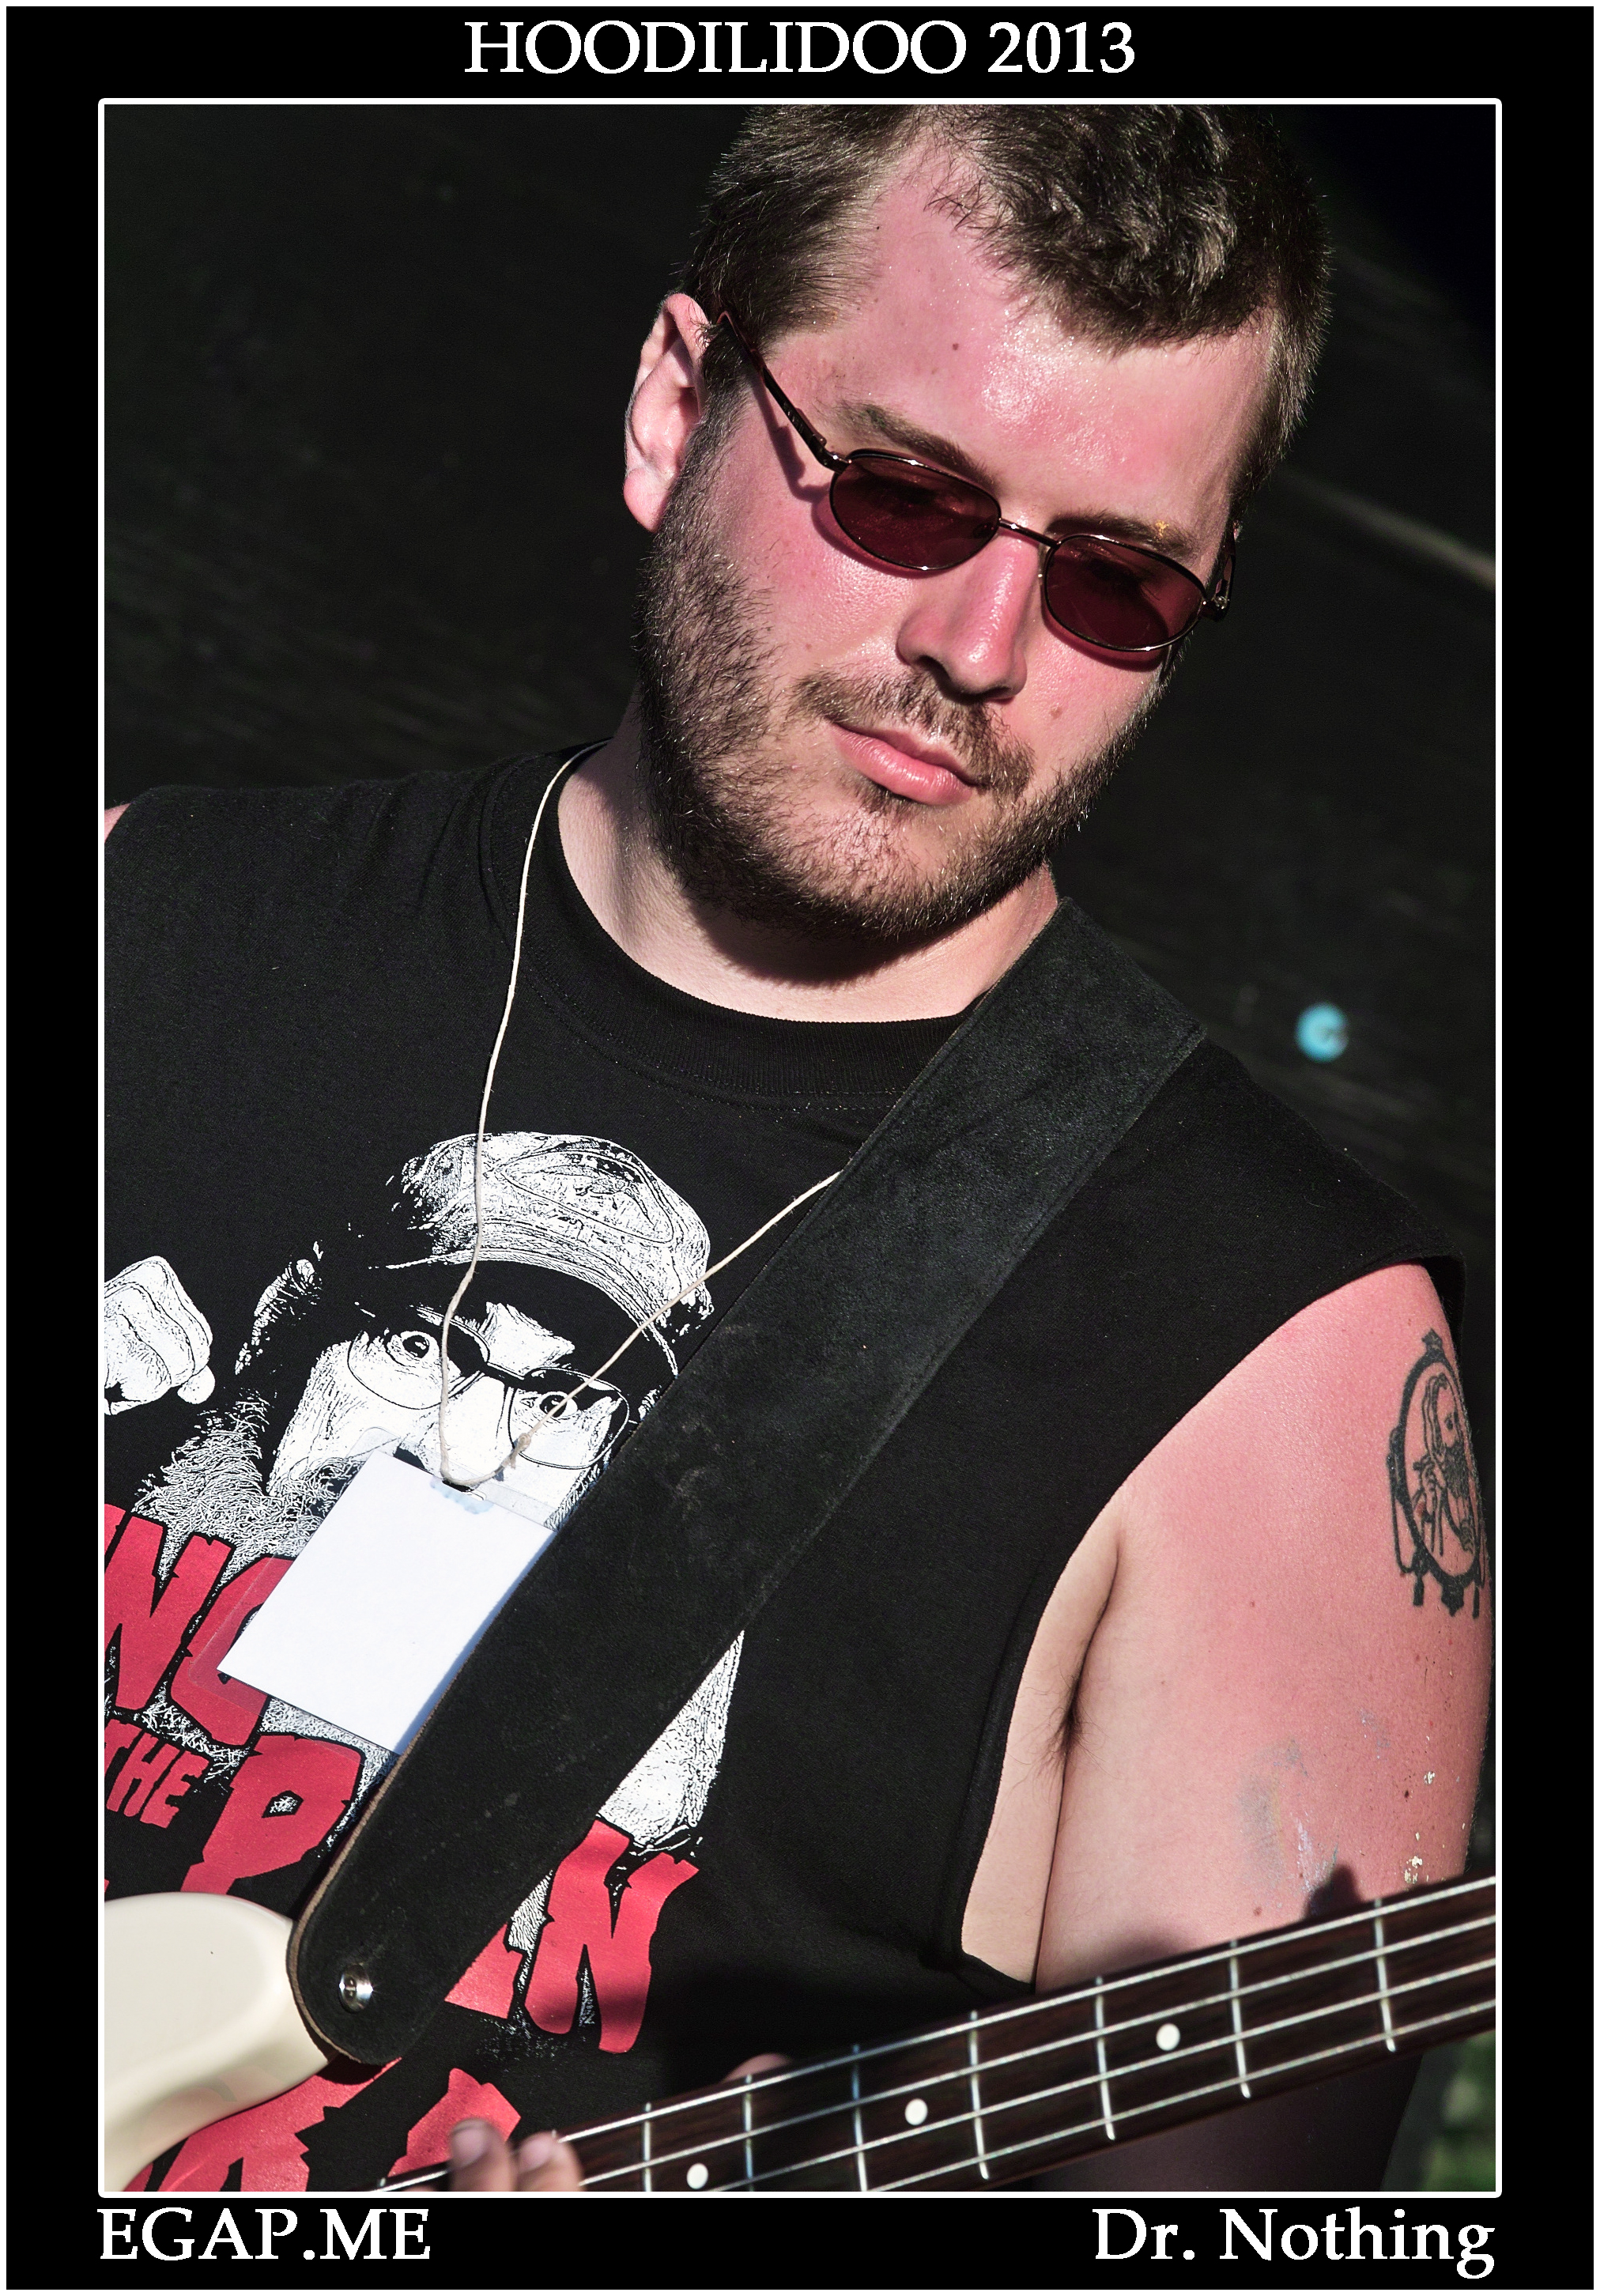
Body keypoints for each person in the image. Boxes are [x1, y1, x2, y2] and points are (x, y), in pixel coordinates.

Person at [104, 104, 1490, 2195]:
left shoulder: (1286, 1374)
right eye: (906, 497)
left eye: (1117, 581)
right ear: (676, 405)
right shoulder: (130, 933)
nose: (981, 651)